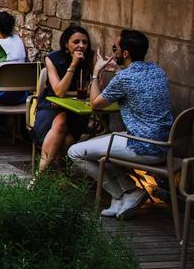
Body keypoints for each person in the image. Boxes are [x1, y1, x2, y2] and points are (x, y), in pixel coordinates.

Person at [68, 29, 173, 219]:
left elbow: (95, 104)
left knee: (75, 152)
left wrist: (95, 72)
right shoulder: (158, 70)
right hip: (164, 144)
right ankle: (124, 195)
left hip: (142, 146)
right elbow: (138, 89)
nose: (113, 50)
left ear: (125, 53)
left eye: (115, 47)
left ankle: (124, 192)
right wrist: (118, 71)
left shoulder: (124, 78)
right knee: (101, 151)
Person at [31, 26, 96, 172]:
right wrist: (73, 65)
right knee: (61, 121)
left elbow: (92, 92)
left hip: (75, 108)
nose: (81, 46)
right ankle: (51, 173)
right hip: (51, 104)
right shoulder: (52, 58)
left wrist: (98, 71)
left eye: (85, 42)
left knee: (67, 137)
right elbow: (59, 92)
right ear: (66, 44)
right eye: (76, 42)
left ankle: (44, 174)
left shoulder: (91, 58)